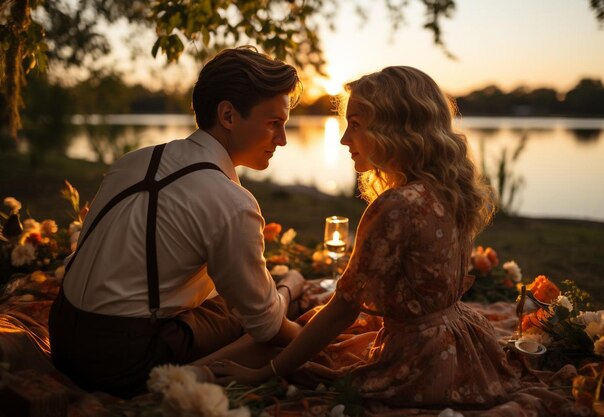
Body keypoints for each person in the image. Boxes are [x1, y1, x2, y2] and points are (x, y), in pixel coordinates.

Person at [205, 66, 577, 416]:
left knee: (313, 347)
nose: (344, 138)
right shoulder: (447, 189)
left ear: (395, 129)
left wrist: (268, 371)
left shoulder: (397, 205)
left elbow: (344, 309)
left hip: (418, 362)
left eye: (356, 125)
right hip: (464, 341)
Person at [48, 46, 306, 398]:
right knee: (244, 307)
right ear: (228, 115)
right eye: (274, 123)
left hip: (62, 329)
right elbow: (267, 327)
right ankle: (290, 288)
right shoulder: (231, 202)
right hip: (119, 361)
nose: (283, 139)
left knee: (239, 289)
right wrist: (300, 317)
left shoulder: (133, 160)